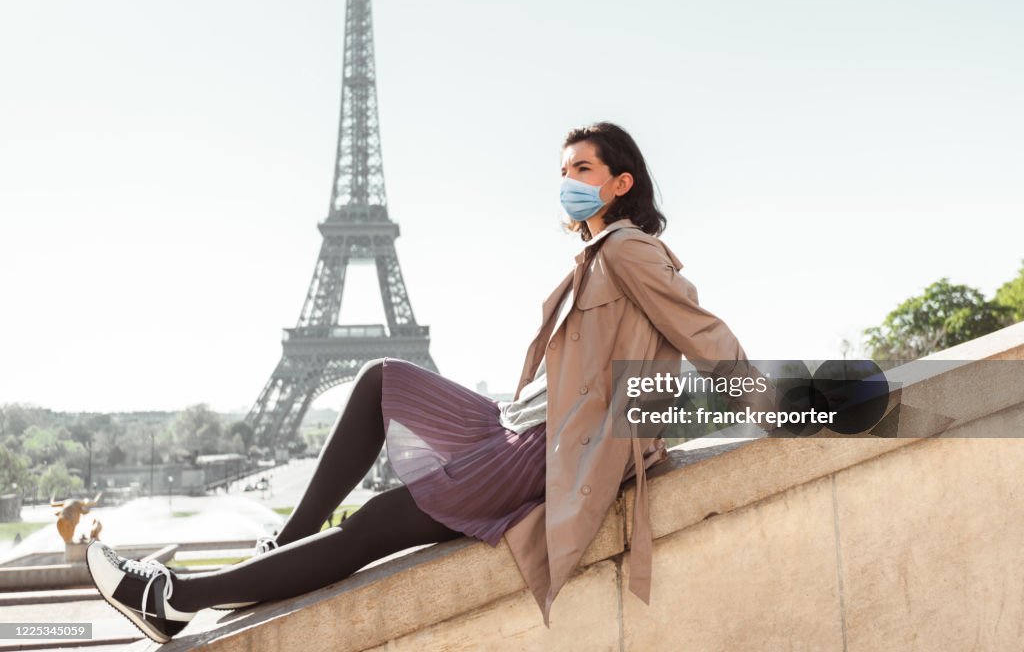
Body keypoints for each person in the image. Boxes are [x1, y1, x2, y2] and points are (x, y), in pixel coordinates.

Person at [86, 122, 775, 643]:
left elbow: (708, 341)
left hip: (546, 447)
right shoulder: (596, 256)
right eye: (564, 169)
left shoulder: (628, 250)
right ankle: (281, 548)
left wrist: (803, 410)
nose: (569, 180)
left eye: (584, 168)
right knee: (381, 379)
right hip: (516, 424)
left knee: (379, 522)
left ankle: (175, 597)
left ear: (622, 182)